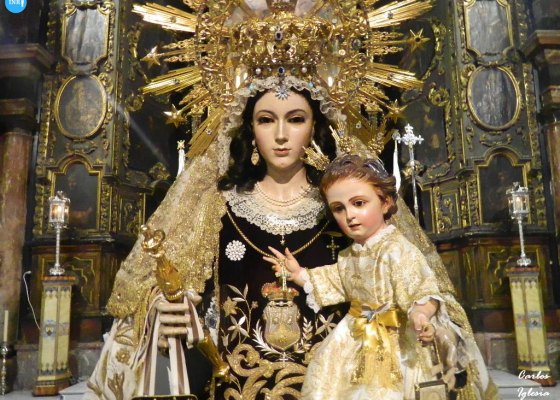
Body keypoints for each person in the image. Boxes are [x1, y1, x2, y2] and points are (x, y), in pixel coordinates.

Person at [85, 2, 498, 399]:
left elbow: (409, 279)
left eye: (296, 119)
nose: (281, 136)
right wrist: (164, 307)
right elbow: (166, 292)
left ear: (315, 127)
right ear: (250, 130)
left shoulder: (344, 209)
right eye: (266, 120)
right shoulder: (214, 205)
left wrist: (423, 317)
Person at [265, 155, 461, 399]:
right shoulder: (349, 255)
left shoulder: (398, 250)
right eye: (339, 208)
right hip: (354, 335)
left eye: (359, 203)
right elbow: (335, 280)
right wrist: (298, 274)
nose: (350, 215)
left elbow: (422, 290)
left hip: (393, 338)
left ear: (385, 202)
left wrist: (420, 315)